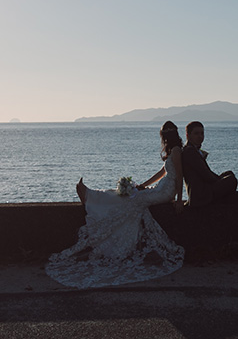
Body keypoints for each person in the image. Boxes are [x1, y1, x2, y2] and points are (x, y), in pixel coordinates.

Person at [45, 121, 186, 288]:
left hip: (165, 192)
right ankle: (92, 196)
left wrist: (178, 200)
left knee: (133, 198)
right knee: (132, 195)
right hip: (161, 188)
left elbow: (180, 176)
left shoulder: (176, 151)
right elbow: (162, 173)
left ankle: (91, 197)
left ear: (165, 136)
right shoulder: (172, 151)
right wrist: (143, 185)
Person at [181, 121, 238, 207]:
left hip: (204, 189)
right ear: (188, 135)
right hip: (200, 195)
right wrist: (221, 182)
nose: (200, 136)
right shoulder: (190, 151)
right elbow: (206, 174)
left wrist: (221, 180)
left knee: (229, 174)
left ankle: (225, 198)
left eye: (202, 133)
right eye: (196, 133)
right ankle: (224, 199)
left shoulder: (193, 150)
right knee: (231, 180)